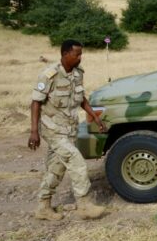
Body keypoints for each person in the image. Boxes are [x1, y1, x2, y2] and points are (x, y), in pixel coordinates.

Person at [29, 39, 108, 221]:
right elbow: (35, 103)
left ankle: (43, 207)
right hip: (53, 130)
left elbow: (81, 98)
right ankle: (84, 205)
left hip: (70, 130)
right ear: (65, 54)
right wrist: (34, 131)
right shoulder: (50, 75)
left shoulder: (78, 73)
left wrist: (95, 116)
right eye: (77, 54)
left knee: (56, 169)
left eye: (81, 54)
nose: (80, 58)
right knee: (76, 160)